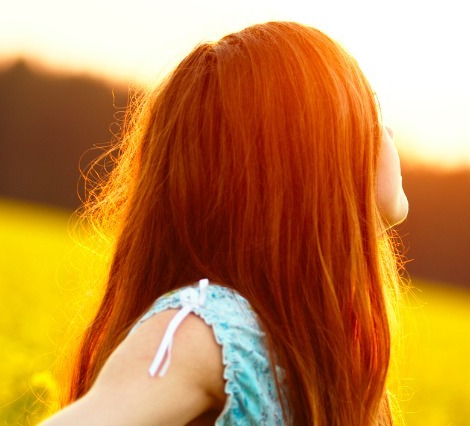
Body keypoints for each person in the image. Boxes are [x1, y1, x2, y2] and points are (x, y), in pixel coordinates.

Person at [41, 21, 409, 425]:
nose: (388, 130)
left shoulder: (323, 345)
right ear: (314, 151)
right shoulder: (211, 327)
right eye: (372, 109)